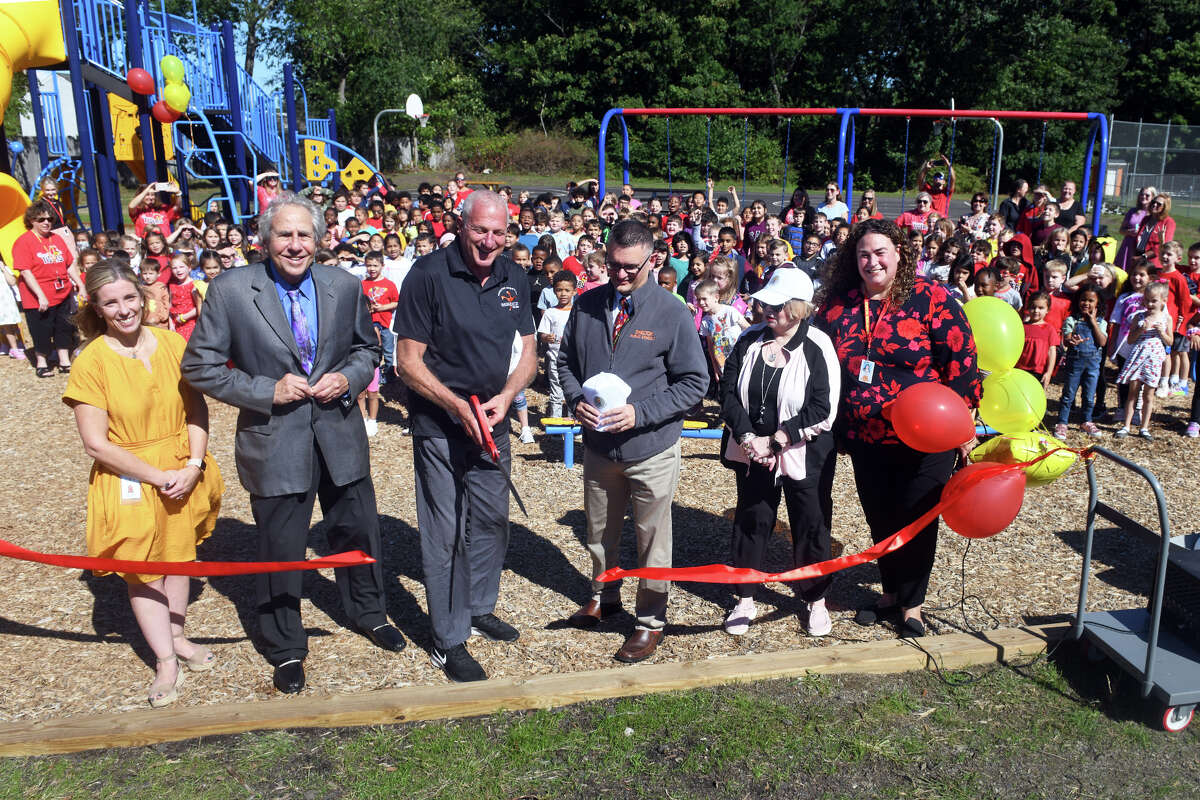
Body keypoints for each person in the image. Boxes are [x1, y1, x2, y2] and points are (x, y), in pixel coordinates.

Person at [181, 193, 404, 695]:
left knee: (357, 531)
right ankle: (284, 644)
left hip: (339, 434)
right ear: (265, 239)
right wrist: (267, 390)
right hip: (275, 440)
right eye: (285, 234)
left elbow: (367, 348)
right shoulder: (232, 290)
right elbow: (199, 366)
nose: (296, 244)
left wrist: (348, 378)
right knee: (280, 548)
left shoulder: (344, 285)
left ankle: (369, 612)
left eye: (305, 234)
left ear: (320, 239)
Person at [63, 261, 224, 708]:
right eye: (110, 302)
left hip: (182, 467)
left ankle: (178, 637)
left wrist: (193, 465)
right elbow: (95, 443)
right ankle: (165, 661)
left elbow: (196, 409)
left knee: (180, 558)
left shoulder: (173, 344)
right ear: (96, 308)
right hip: (130, 477)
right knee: (144, 570)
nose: (124, 309)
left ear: (142, 296)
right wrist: (157, 477)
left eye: (129, 297)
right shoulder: (91, 361)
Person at [393, 191, 536, 683]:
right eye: (480, 230)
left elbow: (529, 354)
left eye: (499, 233)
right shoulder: (428, 274)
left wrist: (509, 394)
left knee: (493, 520)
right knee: (445, 531)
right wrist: (455, 405)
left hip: (493, 423)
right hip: (440, 424)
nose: (489, 241)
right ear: (460, 225)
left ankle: (478, 606)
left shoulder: (515, 276)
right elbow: (407, 362)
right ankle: (448, 638)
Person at [816, 219, 982, 638]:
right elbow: (819, 361)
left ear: (900, 254)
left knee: (917, 517)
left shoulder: (931, 298)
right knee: (881, 516)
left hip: (927, 436)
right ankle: (889, 593)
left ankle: (912, 605)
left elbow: (961, 361)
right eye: (863, 254)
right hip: (866, 436)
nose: (871, 261)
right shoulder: (839, 304)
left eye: (880, 252)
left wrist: (962, 422)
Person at [557, 219, 707, 663]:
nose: (619, 274)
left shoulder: (672, 312)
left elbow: (694, 382)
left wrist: (641, 413)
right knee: (599, 532)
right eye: (612, 264)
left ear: (653, 260)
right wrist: (575, 400)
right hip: (600, 447)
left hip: (651, 448)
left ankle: (650, 621)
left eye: (630, 267)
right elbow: (565, 363)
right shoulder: (586, 304)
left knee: (652, 540)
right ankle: (604, 596)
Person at [717, 268, 839, 637]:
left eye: (777, 305)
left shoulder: (817, 345)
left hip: (804, 451)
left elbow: (823, 407)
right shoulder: (749, 338)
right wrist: (748, 437)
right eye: (765, 303)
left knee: (811, 522)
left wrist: (778, 440)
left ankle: (815, 599)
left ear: (798, 308)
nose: (767, 309)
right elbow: (728, 392)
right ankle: (745, 597)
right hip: (752, 449)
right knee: (752, 518)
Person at [12, 200, 84, 377]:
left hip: (62, 291)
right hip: (37, 295)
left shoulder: (56, 238)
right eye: (41, 219)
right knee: (41, 330)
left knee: (64, 327)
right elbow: (26, 271)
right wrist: (40, 295)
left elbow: (69, 264)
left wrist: (80, 284)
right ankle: (42, 362)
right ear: (31, 220)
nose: (46, 222)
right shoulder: (24, 241)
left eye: (50, 219)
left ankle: (64, 360)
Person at [1114, 282, 1171, 439]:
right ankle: (1126, 425)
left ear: (1164, 301)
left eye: (1154, 301)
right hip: (1138, 356)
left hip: (1153, 359)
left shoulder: (1166, 318)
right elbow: (1130, 339)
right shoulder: (1139, 317)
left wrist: (1162, 332)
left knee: (1148, 395)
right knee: (1132, 393)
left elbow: (1170, 342)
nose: (1149, 304)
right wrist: (1141, 329)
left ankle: (1144, 427)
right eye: (1146, 300)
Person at [1053, 284, 1108, 439]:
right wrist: (1071, 341)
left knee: (1089, 395)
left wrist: (1093, 322)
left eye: (1091, 301)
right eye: (1083, 299)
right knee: (1068, 394)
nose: (1086, 303)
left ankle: (1086, 421)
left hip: (1093, 365)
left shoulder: (1101, 323)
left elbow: (1102, 342)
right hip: (1075, 364)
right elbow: (1066, 339)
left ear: (1097, 303)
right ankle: (1062, 422)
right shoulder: (1072, 320)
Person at [538, 269, 576, 419]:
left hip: (574, 360)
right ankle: (556, 422)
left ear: (574, 291)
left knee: (574, 391)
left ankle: (574, 421)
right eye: (559, 290)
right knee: (556, 392)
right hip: (555, 358)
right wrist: (547, 337)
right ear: (554, 291)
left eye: (567, 290)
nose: (563, 293)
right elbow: (542, 334)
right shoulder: (550, 312)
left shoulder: (578, 312)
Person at [1115, 187, 1156, 269]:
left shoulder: (1154, 214)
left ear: (1153, 197)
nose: (1143, 197)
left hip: (1142, 248)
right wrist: (1129, 232)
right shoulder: (1132, 211)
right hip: (1128, 245)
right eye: (1142, 194)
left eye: (1147, 195)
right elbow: (1121, 230)